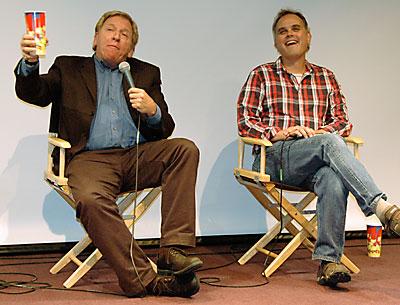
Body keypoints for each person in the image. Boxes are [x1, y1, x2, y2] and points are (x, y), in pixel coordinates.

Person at [15, 10, 202, 298]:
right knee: (90, 199)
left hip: (135, 156)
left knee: (184, 149)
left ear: (131, 48)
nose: (116, 36)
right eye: (110, 30)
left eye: (124, 34)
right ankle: (144, 279)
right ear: (95, 39)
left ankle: (173, 252)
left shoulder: (145, 73)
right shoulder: (68, 67)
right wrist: (30, 63)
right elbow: (35, 93)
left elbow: (164, 128)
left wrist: (153, 112)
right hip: (89, 160)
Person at [237, 8, 400, 288]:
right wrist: (279, 133)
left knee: (333, 177)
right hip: (275, 158)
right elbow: (245, 121)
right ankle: (381, 207)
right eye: (282, 31)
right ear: (276, 42)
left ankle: (329, 262)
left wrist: (317, 134)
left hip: (314, 160)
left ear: (308, 37)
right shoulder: (261, 75)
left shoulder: (326, 77)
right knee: (328, 144)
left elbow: (342, 121)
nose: (289, 34)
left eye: (296, 28)